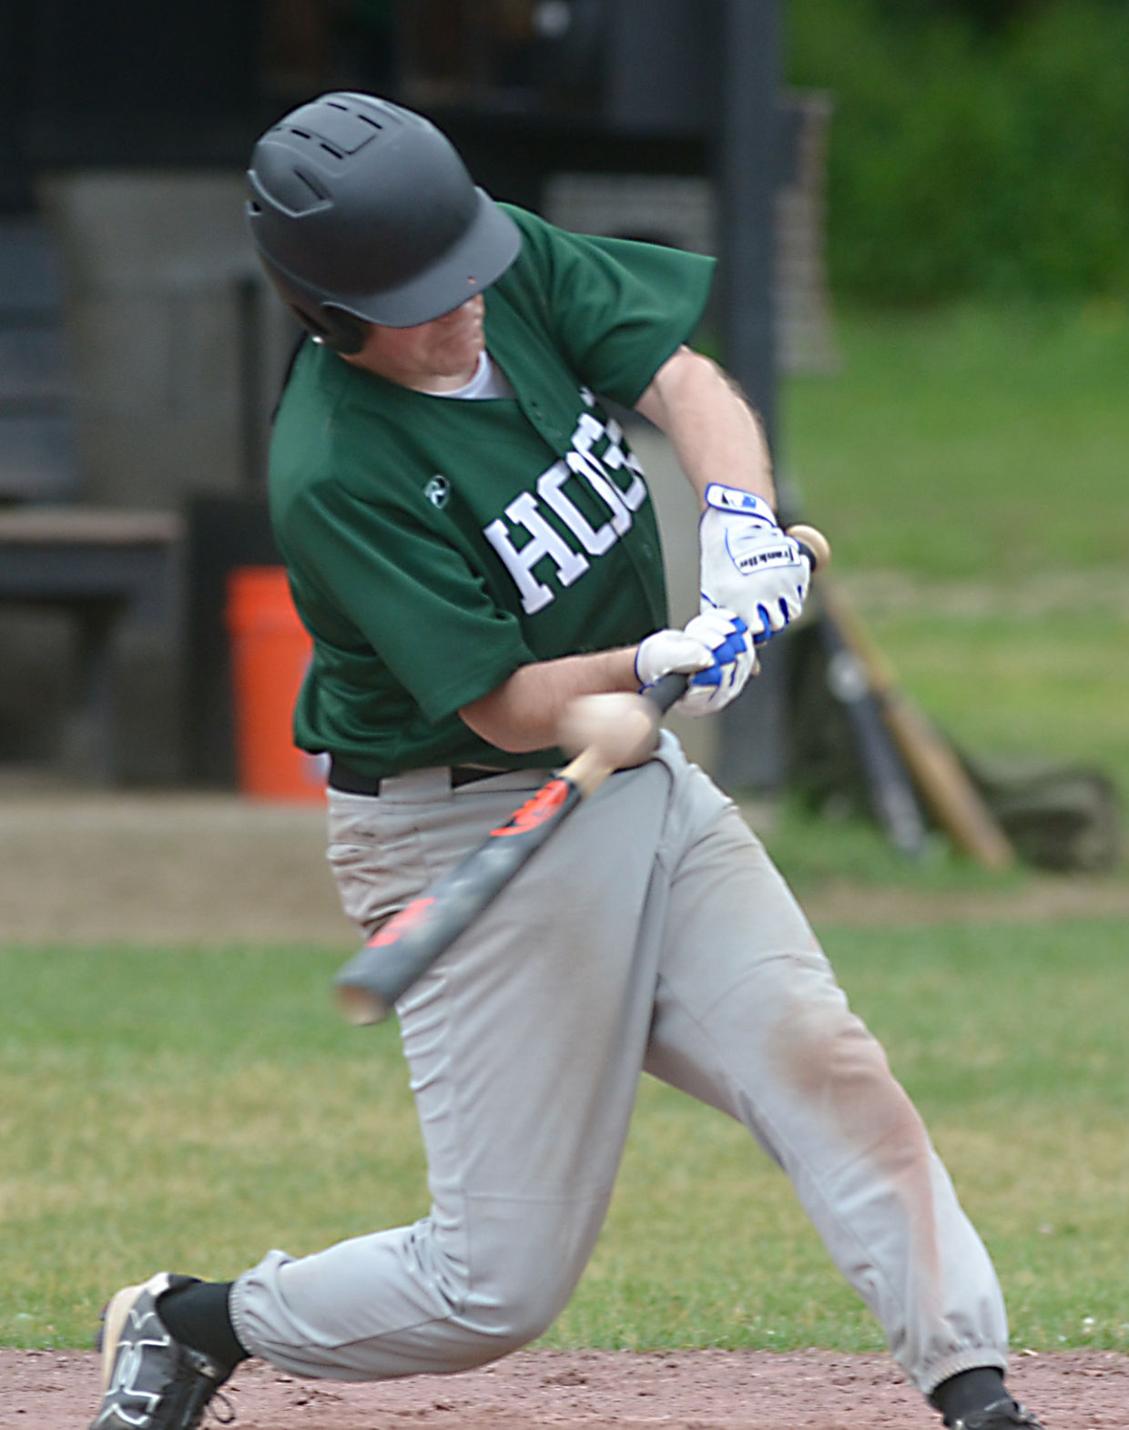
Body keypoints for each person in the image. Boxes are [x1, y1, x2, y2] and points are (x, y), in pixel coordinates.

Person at [89, 92, 1045, 1430]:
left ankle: (978, 1394)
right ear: (330, 310)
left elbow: (687, 382)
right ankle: (197, 1319)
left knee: (827, 1066)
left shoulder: (487, 257)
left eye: (466, 268)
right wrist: (651, 665)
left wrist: (737, 526)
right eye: (424, 296)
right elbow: (503, 704)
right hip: (472, 823)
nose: (467, 303)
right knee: (493, 1286)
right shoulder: (335, 467)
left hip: (639, 788)